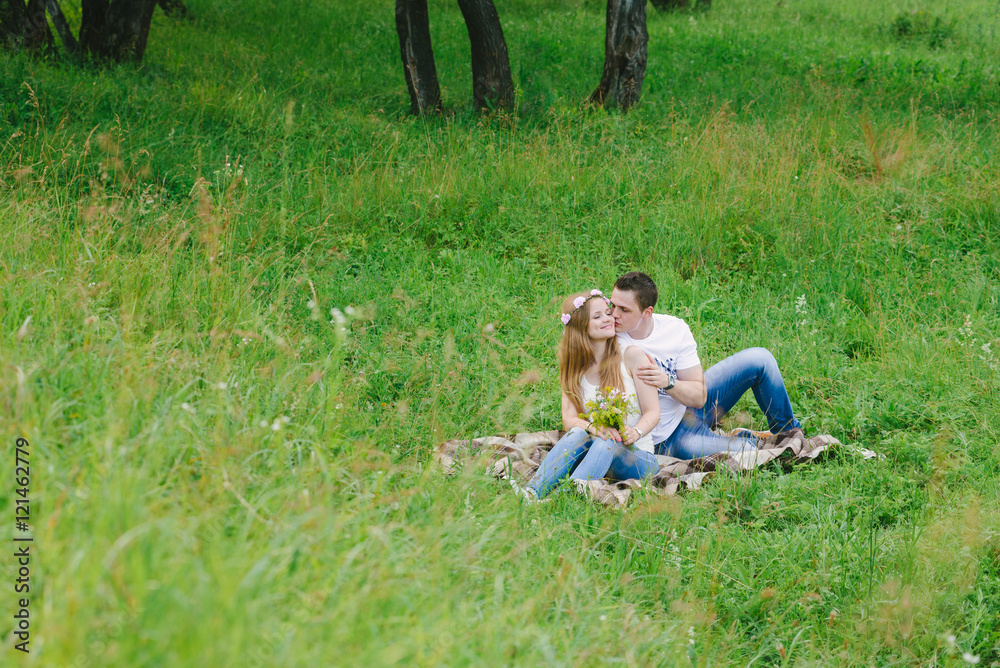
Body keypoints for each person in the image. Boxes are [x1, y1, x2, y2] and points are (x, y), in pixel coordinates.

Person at [610, 271, 805, 459]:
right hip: (668, 437)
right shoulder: (609, 339)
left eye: (624, 310)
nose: (614, 314)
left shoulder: (674, 329)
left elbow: (699, 397)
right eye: (612, 305)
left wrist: (665, 381)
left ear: (647, 312)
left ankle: (787, 434)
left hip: (691, 408)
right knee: (748, 450)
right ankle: (744, 438)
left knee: (760, 359)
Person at [523, 290, 661, 500]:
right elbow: (569, 420)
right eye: (597, 317)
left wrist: (636, 432)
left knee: (608, 441)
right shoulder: (574, 368)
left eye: (607, 313)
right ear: (581, 326)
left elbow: (653, 412)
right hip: (596, 452)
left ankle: (565, 499)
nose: (608, 318)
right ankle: (531, 493)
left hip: (638, 458)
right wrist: (595, 428)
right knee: (580, 434)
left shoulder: (632, 355)